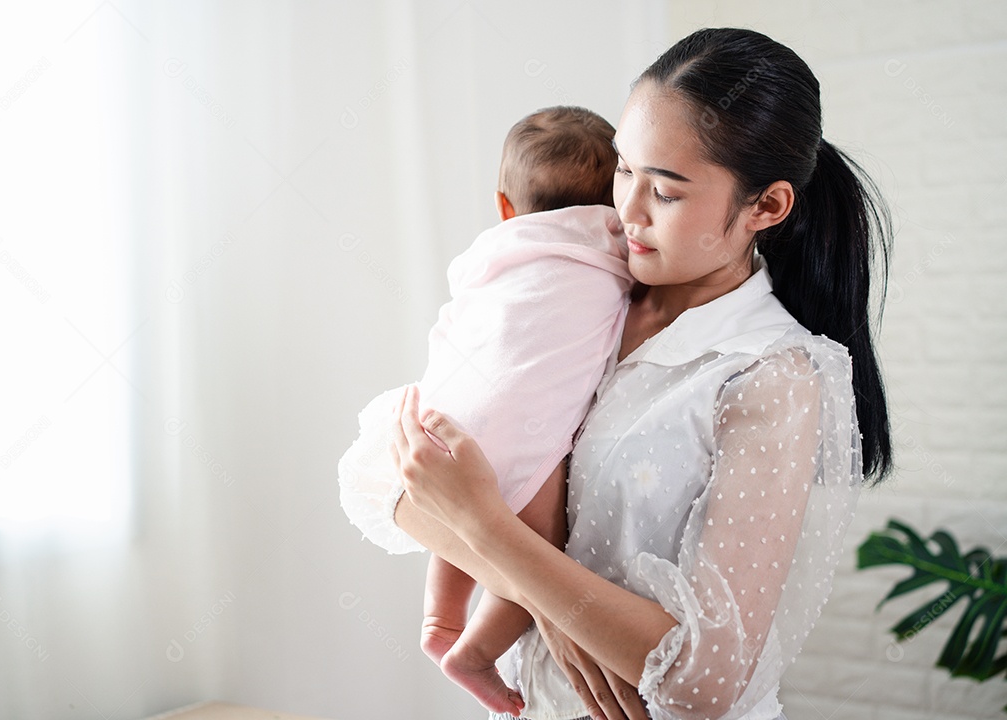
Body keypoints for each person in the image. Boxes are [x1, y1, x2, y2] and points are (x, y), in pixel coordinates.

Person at [391, 27, 893, 720]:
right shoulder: (579, 293)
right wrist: (548, 598)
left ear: (766, 207)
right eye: (624, 170)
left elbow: (703, 680)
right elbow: (398, 481)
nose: (624, 211)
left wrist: (494, 536)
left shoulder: (771, 376)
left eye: (666, 190)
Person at [338, 106, 635, 714]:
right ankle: (473, 650)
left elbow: (461, 317)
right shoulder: (618, 244)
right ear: (617, 196)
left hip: (448, 404)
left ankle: (441, 618)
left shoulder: (493, 250)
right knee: (539, 557)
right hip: (527, 422)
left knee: (460, 515)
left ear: (505, 204)